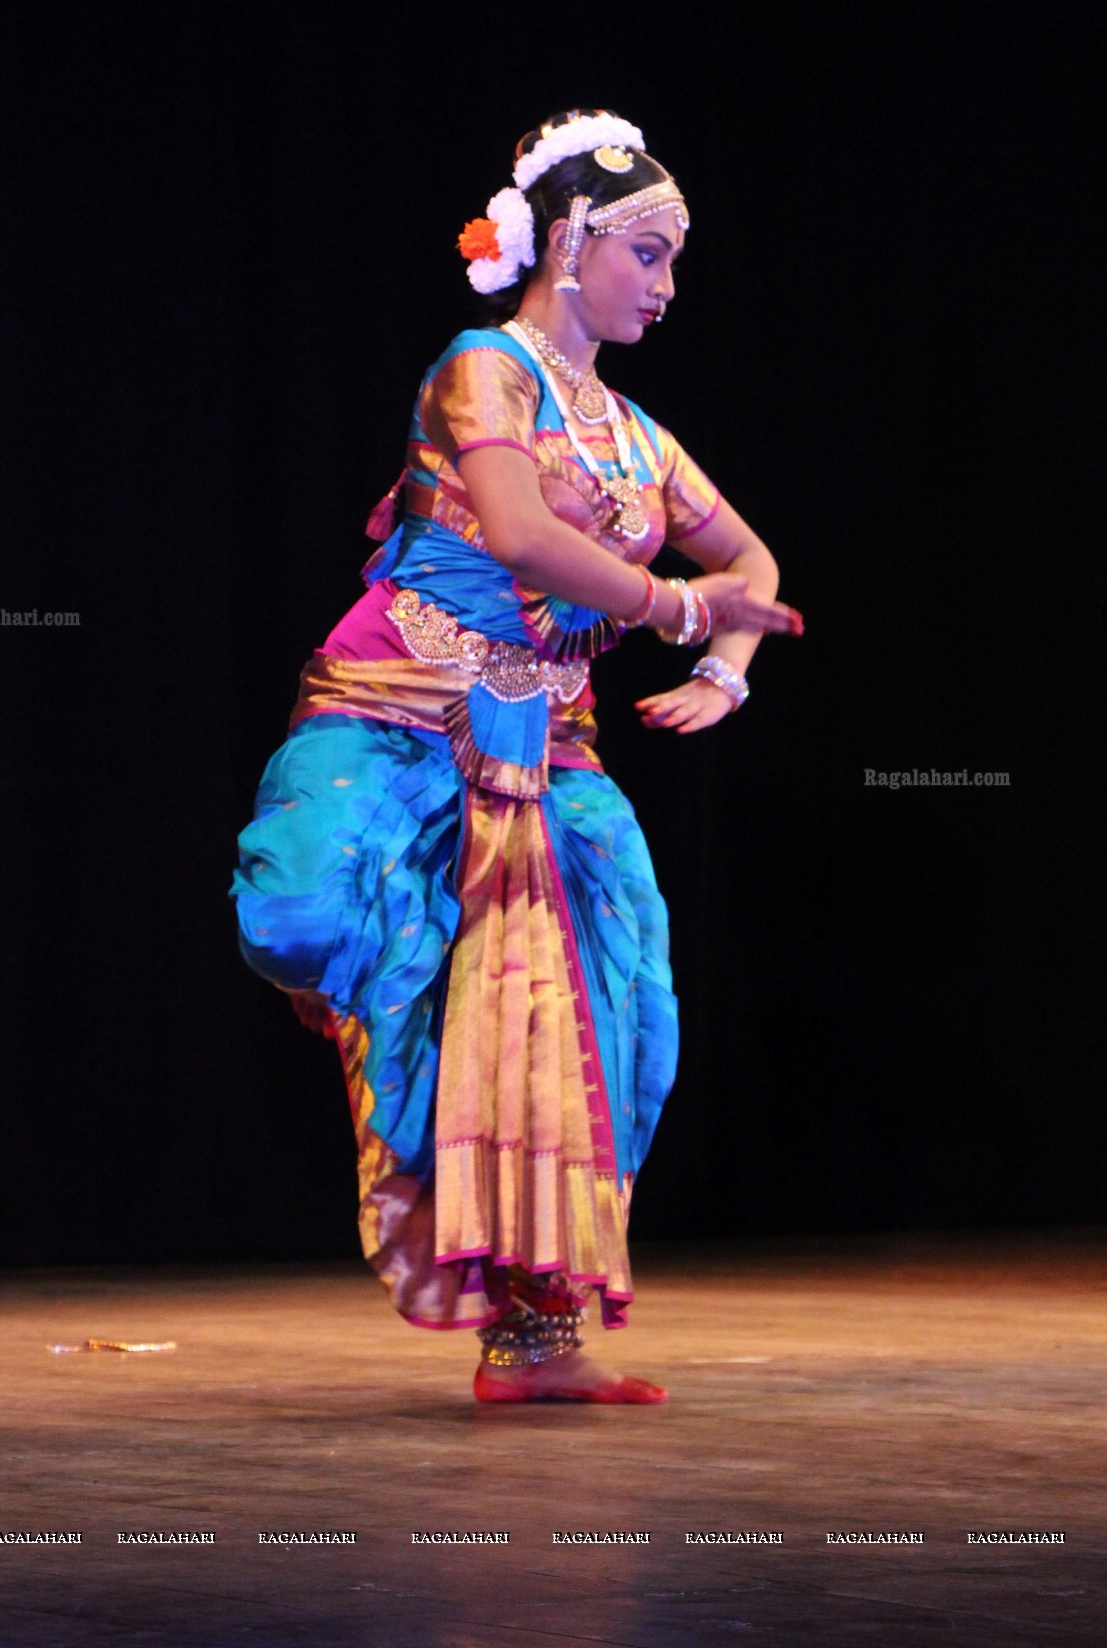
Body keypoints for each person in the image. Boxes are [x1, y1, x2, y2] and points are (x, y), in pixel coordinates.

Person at [230, 109, 803, 1404]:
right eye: (646, 254)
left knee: (616, 1006)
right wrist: (674, 610)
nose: (663, 285)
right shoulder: (482, 369)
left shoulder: (639, 435)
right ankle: (401, 1009)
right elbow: (519, 530)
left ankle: (535, 1340)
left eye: (672, 261)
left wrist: (725, 669)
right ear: (570, 239)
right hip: (398, 703)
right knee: (310, 903)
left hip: (550, 738)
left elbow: (753, 563)